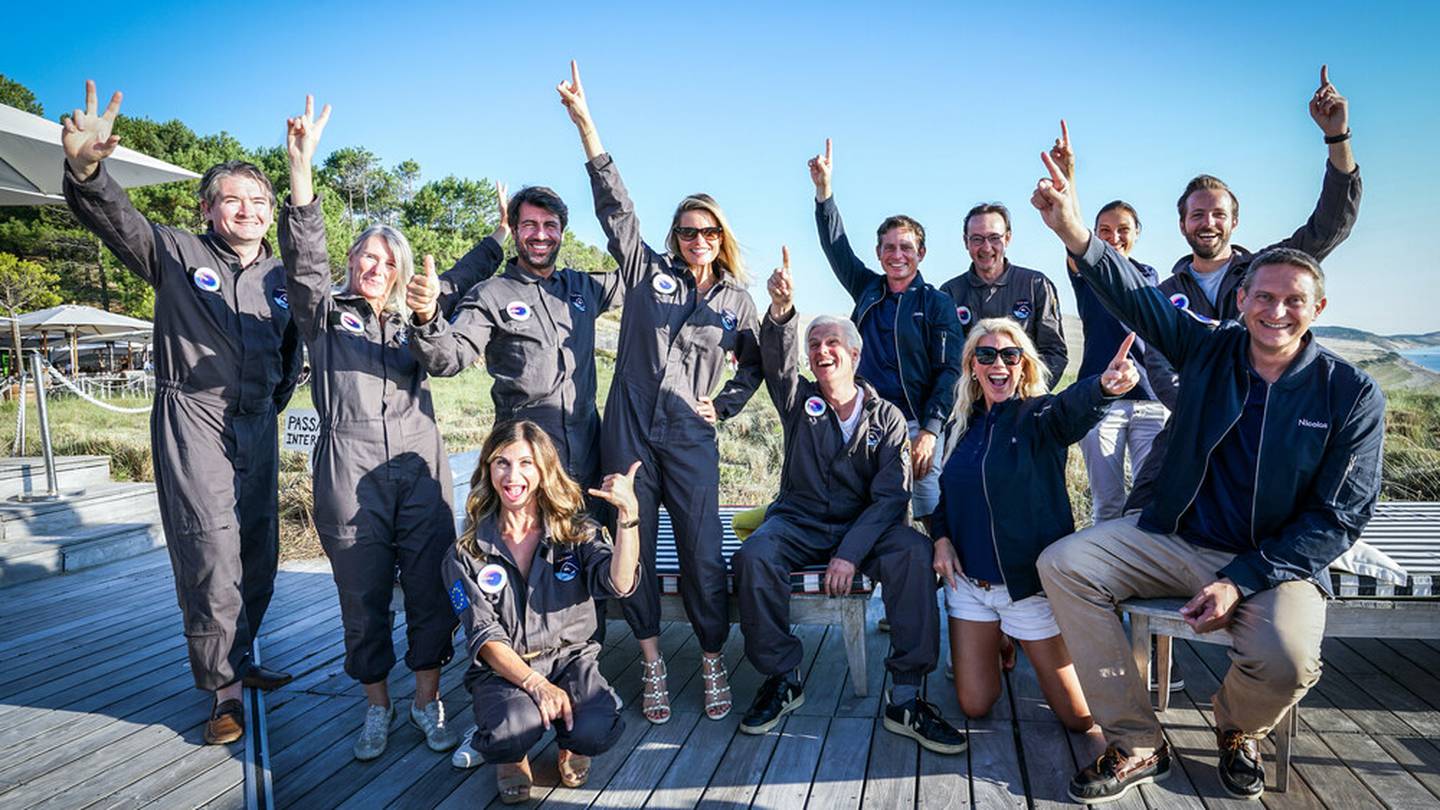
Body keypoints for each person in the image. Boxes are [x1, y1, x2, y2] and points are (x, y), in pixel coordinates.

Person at [1030, 149, 1385, 804]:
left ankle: (1234, 727)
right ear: (1243, 299)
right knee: (1065, 564)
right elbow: (1138, 301)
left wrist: (1241, 580)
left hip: (1273, 564)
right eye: (1264, 297)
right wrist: (1075, 233)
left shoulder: (1351, 394)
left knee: (1287, 661)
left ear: (1319, 305)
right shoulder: (1210, 348)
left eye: (1294, 300)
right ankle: (1137, 739)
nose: (1277, 311)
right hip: (1179, 538)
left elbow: (1338, 518)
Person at [61, 81, 302, 744]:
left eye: (258, 201)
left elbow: (293, 354)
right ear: (208, 208)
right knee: (211, 550)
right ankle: (221, 690)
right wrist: (88, 169)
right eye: (233, 199)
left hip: (257, 423)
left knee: (258, 550)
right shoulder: (176, 254)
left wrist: (268, 407)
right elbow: (118, 221)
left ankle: (242, 660)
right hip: (192, 420)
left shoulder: (283, 278)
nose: (247, 210)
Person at [278, 97, 501, 760]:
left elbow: (455, 292)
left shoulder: (416, 314)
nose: (371, 267)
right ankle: (376, 707)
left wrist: (495, 238)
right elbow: (304, 259)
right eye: (362, 257)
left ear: (401, 272)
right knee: (362, 594)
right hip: (346, 472)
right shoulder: (323, 312)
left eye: (384, 260)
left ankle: (427, 701)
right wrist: (301, 174)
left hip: (419, 467)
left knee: (432, 589)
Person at [558, 61, 763, 725]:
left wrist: (724, 406)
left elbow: (755, 366)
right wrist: (588, 126)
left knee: (705, 555)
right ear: (674, 239)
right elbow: (616, 208)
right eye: (686, 232)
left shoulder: (737, 299)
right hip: (628, 435)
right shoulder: (649, 273)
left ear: (721, 238)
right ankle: (649, 661)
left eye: (708, 232)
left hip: (691, 440)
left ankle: (709, 659)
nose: (697, 241)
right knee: (631, 547)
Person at [731, 250, 966, 753]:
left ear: (855, 355)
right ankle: (782, 678)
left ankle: (906, 696)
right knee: (753, 557)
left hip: (867, 529)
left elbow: (889, 499)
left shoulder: (887, 419)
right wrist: (782, 311)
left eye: (833, 342)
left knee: (913, 552)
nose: (822, 351)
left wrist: (850, 553)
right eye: (815, 344)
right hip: (799, 522)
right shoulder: (798, 400)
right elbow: (776, 361)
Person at [1128, 65, 1362, 513]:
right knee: (1140, 514)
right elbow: (1158, 366)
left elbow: (1330, 225)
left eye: (1218, 214)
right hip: (1190, 428)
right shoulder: (1165, 293)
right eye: (1197, 215)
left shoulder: (1267, 270)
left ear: (1234, 222)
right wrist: (1206, 407)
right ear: (1182, 224)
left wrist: (1338, 140)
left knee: (1283, 517)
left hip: (1266, 421)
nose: (1208, 223)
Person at [930, 316, 1139, 732]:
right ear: (972, 365)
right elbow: (946, 496)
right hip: (971, 588)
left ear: (1023, 365)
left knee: (1080, 720)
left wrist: (1102, 388)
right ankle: (1002, 639)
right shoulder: (960, 425)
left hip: (1026, 591)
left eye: (1010, 355)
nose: (999, 365)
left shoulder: (1038, 417)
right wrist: (940, 539)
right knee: (974, 704)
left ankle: (1014, 632)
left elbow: (1070, 409)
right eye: (986, 355)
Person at [444, 421, 641, 804]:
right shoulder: (466, 551)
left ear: (543, 470)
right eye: (501, 463)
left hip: (570, 660)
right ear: (487, 469)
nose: (512, 476)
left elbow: (619, 582)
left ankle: (571, 744)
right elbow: (483, 636)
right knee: (509, 730)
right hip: (506, 668)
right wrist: (535, 685)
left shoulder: (577, 532)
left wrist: (627, 518)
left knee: (594, 729)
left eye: (525, 463)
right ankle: (513, 756)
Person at [409, 183, 624, 495]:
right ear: (514, 229)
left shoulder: (582, 288)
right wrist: (427, 315)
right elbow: (447, 359)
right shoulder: (491, 294)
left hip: (589, 456)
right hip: (524, 460)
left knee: (589, 541)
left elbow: (636, 274)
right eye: (529, 225)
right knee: (532, 543)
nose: (540, 235)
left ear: (562, 232)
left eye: (550, 225)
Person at [808, 138, 964, 520]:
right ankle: (876, 578)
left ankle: (935, 578)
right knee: (873, 507)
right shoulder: (867, 289)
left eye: (906, 247)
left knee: (929, 509)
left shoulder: (936, 302)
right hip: (867, 419)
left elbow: (950, 372)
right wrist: (824, 194)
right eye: (889, 248)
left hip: (916, 424)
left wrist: (930, 430)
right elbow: (837, 247)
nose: (897, 255)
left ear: (921, 253)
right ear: (878, 253)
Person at [939, 202, 1067, 389]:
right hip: (970, 405)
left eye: (994, 238)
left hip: (1023, 401)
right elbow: (946, 360)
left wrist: (1027, 391)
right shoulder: (950, 293)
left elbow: (1054, 352)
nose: (986, 247)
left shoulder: (1035, 285)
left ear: (1007, 238)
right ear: (965, 242)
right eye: (977, 239)